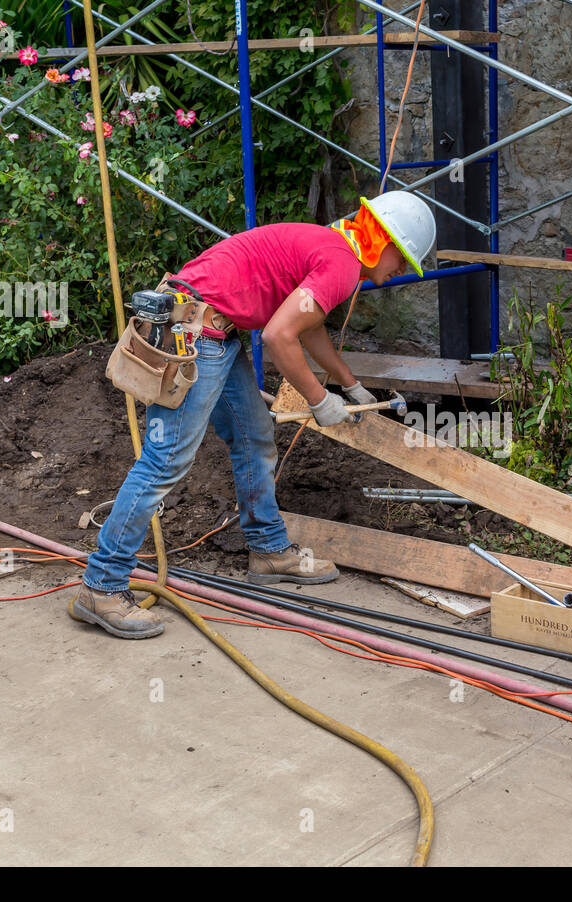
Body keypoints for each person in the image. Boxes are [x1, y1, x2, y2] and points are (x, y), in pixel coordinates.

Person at [69, 190, 437, 639]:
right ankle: (102, 584)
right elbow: (281, 337)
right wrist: (320, 401)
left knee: (254, 436)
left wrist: (348, 381)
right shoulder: (341, 263)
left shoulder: (329, 247)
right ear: (385, 244)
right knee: (165, 460)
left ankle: (267, 549)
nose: (398, 272)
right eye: (402, 261)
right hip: (196, 333)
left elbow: (309, 324)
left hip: (210, 331)